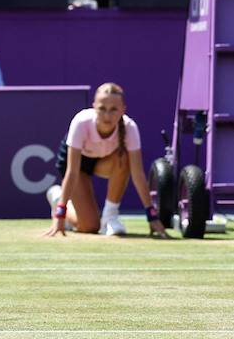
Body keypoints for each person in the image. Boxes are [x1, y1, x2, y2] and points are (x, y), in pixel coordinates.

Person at [44, 83, 167, 238]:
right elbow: (72, 171)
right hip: (77, 166)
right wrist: (59, 215)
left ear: (123, 110)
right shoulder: (81, 122)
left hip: (103, 161)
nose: (107, 116)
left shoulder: (130, 128)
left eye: (113, 109)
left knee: (124, 158)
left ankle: (109, 218)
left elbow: (138, 174)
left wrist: (152, 215)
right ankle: (58, 198)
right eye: (102, 108)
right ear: (94, 106)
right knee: (89, 226)